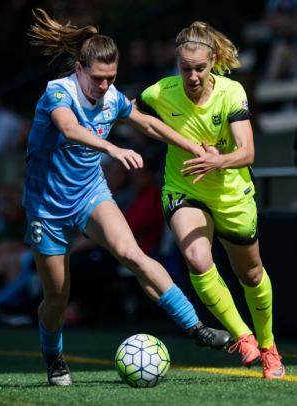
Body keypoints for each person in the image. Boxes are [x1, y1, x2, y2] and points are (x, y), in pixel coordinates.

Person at [24, 9, 232, 386]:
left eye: (112, 79)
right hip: (46, 207)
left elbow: (149, 123)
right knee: (57, 297)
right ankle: (53, 354)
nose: (105, 87)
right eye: (98, 79)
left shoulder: (112, 97)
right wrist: (113, 148)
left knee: (133, 254)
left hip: (89, 193)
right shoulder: (58, 92)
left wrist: (194, 147)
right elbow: (69, 129)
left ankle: (196, 327)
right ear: (80, 69)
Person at [135, 21, 286, 379]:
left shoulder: (231, 93)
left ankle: (269, 346)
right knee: (197, 258)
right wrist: (153, 132)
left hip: (231, 191)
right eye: (185, 68)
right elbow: (131, 112)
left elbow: (248, 152)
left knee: (250, 273)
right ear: (177, 63)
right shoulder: (160, 92)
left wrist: (218, 159)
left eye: (199, 68)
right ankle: (242, 336)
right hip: (184, 188)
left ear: (213, 61)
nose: (192, 76)